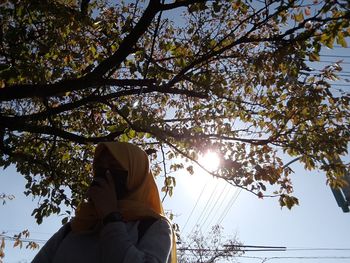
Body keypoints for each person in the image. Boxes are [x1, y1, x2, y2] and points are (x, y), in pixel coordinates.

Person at [32, 142, 176, 263]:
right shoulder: (74, 227)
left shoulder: (155, 226)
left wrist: (111, 217)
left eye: (115, 166)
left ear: (136, 175)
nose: (106, 173)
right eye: (100, 167)